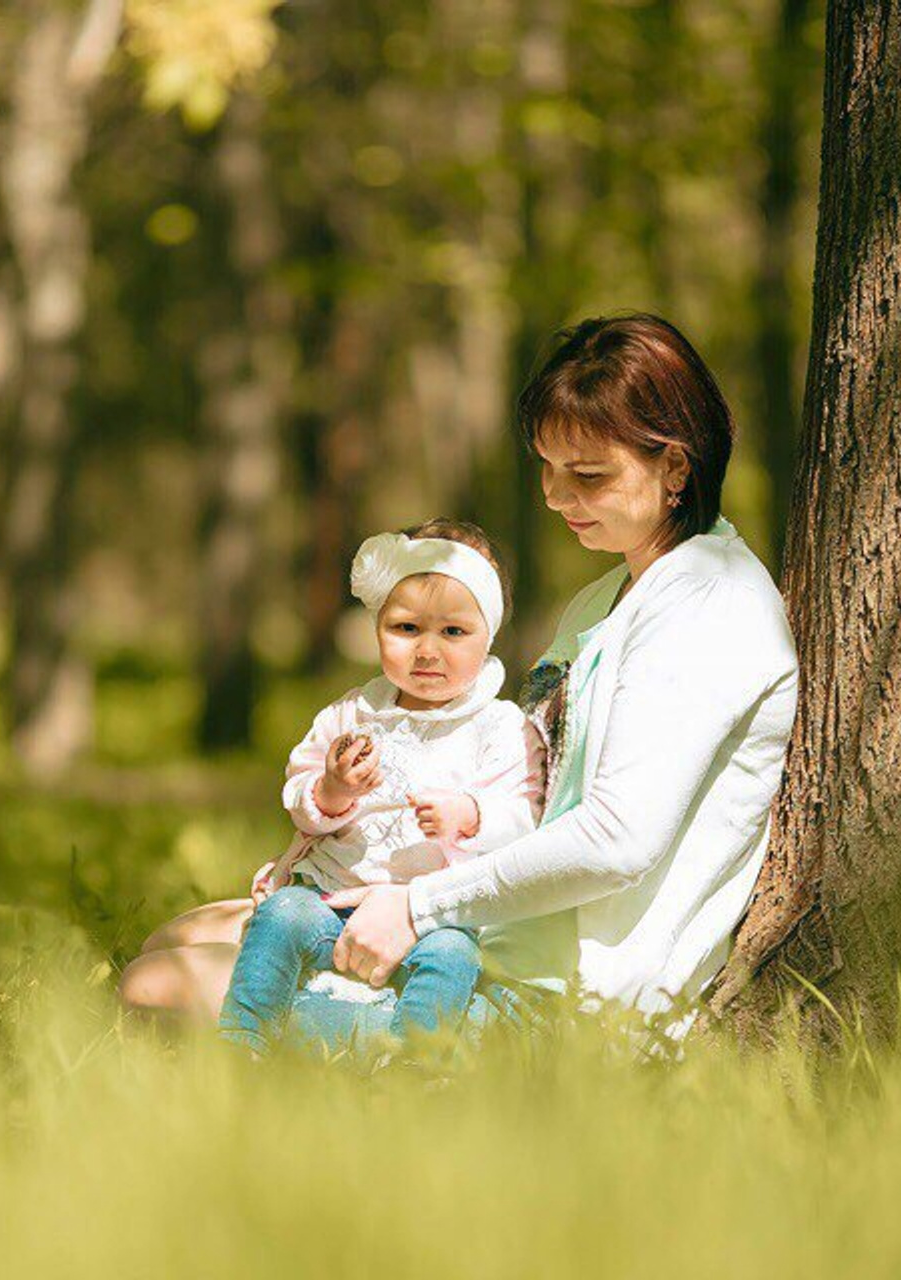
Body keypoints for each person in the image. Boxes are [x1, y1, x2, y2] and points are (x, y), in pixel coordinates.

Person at [119, 313, 798, 1047]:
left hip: (564, 1002)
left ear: (676, 467)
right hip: (497, 932)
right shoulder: (602, 602)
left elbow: (615, 842)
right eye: (546, 466)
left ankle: (392, 1067)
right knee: (176, 937)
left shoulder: (710, 605)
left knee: (155, 986)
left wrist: (416, 907)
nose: (554, 495)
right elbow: (532, 796)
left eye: (588, 475)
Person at [218, 519, 550, 1055]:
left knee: (452, 959)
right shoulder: (353, 712)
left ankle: (411, 1063)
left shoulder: (501, 728)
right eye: (406, 629)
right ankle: (243, 1041)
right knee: (279, 917)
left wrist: (471, 815)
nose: (427, 651)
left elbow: (526, 820)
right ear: (378, 628)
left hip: (432, 917)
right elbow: (301, 805)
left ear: (489, 635)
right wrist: (331, 788)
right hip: (329, 899)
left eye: (453, 633)